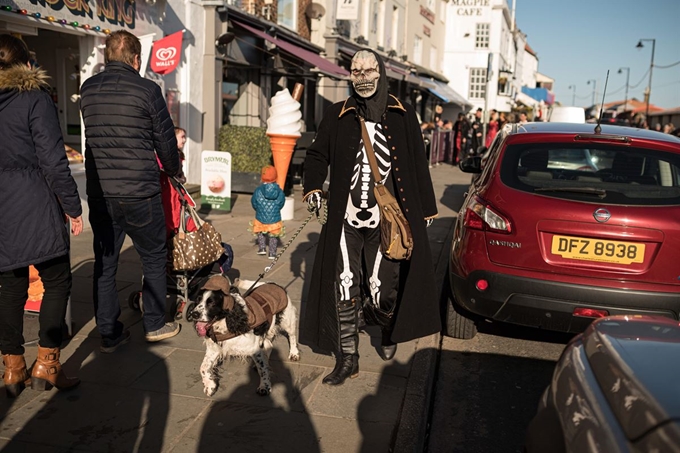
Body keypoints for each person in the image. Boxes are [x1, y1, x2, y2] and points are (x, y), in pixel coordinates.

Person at [302, 49, 439, 386]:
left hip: (386, 221)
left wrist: (426, 207)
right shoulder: (337, 115)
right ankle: (349, 357)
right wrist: (313, 187)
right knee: (345, 284)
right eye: (356, 70)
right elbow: (317, 154)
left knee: (383, 291)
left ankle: (389, 327)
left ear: (380, 73)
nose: (362, 75)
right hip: (345, 219)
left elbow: (417, 164)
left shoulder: (402, 115)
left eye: (369, 69)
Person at [79, 30, 182, 352]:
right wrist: (174, 170)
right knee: (152, 258)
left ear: (106, 57)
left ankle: (108, 333)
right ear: (137, 59)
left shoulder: (88, 89)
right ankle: (154, 323)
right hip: (140, 191)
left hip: (101, 191)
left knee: (105, 263)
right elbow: (165, 140)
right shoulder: (148, 90)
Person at [0, 34, 83, 397]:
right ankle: (47, 364)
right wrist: (73, 207)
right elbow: (53, 160)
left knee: (10, 287)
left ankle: (12, 368)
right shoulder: (34, 99)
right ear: (26, 64)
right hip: (35, 203)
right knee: (58, 280)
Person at [250, 165, 285, 259]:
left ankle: (262, 248)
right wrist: (276, 209)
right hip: (275, 217)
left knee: (261, 232)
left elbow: (254, 202)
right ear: (276, 177)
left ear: (262, 178)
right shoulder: (280, 191)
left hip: (260, 216)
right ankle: (272, 253)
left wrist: (258, 209)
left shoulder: (258, 191)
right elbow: (281, 203)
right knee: (273, 235)